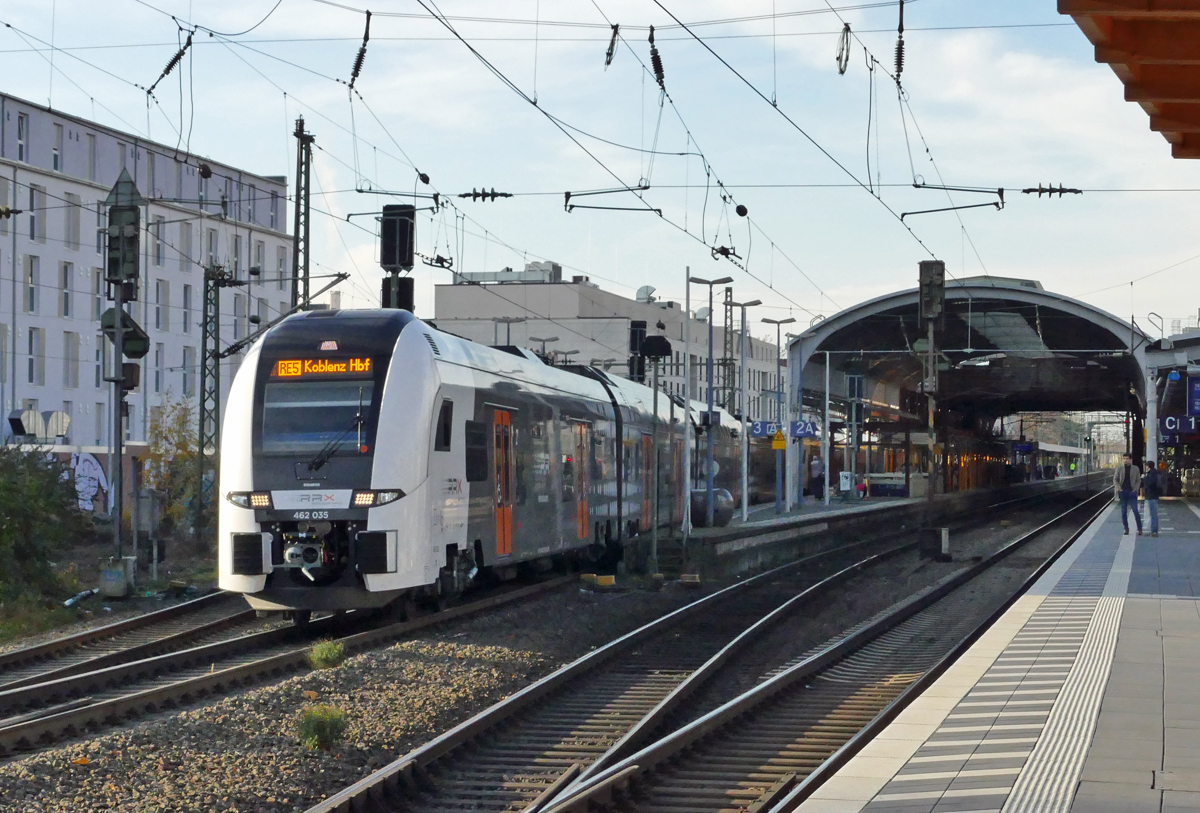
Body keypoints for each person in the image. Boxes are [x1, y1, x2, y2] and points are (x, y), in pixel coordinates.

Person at [1112, 452, 1142, 536]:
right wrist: (1119, 489)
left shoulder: (1135, 469)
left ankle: (1139, 529)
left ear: (1130, 459)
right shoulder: (1119, 468)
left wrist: (1135, 490)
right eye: (1124, 459)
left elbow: (1138, 480)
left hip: (1132, 492)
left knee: (1135, 511)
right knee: (1123, 512)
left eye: (1127, 459)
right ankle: (1126, 528)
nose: (1126, 460)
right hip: (1123, 492)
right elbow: (1115, 479)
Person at [1143, 459, 1162, 537]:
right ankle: (1153, 530)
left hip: (1152, 496)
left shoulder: (1152, 474)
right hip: (1153, 495)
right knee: (1152, 513)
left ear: (1148, 466)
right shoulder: (1155, 473)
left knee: (1153, 514)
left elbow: (1150, 484)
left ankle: (1154, 531)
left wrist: (1144, 478)